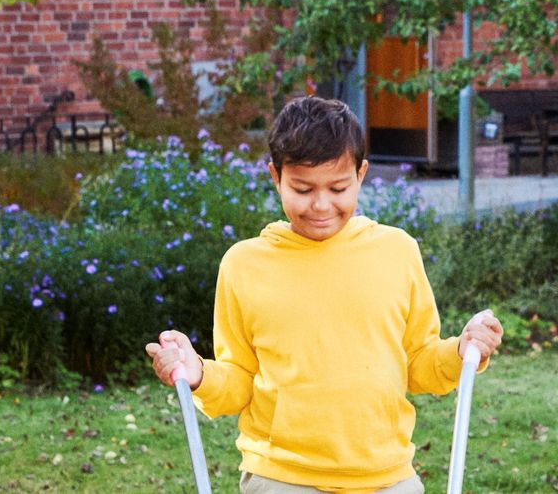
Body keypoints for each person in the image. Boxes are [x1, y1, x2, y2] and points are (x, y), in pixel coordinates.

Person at [142, 96, 505, 493]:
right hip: (282, 476)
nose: (320, 204)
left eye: (337, 188)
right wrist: (198, 375)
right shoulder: (244, 265)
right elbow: (240, 379)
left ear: (361, 175)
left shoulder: (396, 252)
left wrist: (461, 351)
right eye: (302, 188)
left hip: (386, 476)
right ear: (275, 177)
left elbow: (417, 363)